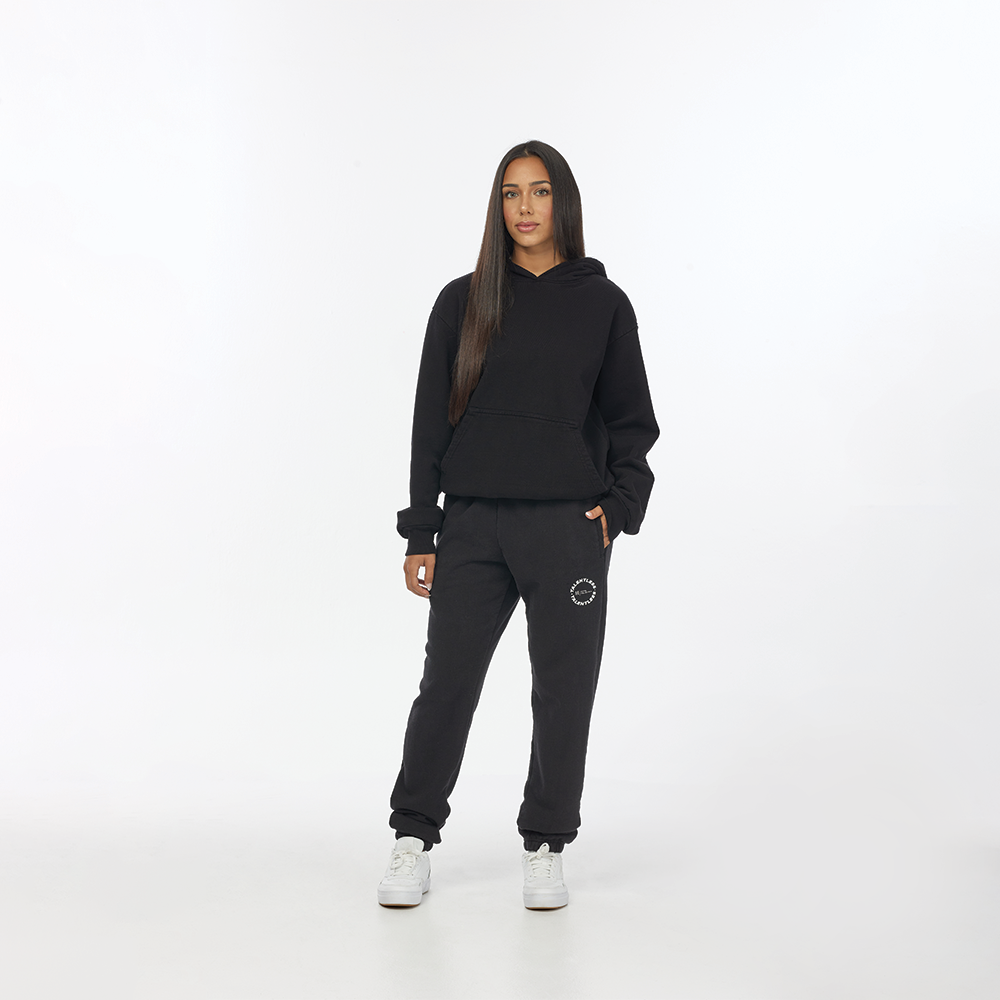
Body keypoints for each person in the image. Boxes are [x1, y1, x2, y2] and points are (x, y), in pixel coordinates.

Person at [378, 140, 659, 910]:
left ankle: (546, 844)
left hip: (569, 529)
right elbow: (430, 424)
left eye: (538, 191)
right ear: (497, 205)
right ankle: (412, 836)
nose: (525, 207)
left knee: (564, 689)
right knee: (447, 684)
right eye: (510, 193)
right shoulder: (463, 301)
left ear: (562, 201)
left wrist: (619, 508)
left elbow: (632, 421)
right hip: (473, 527)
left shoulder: (604, 306)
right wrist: (422, 531)